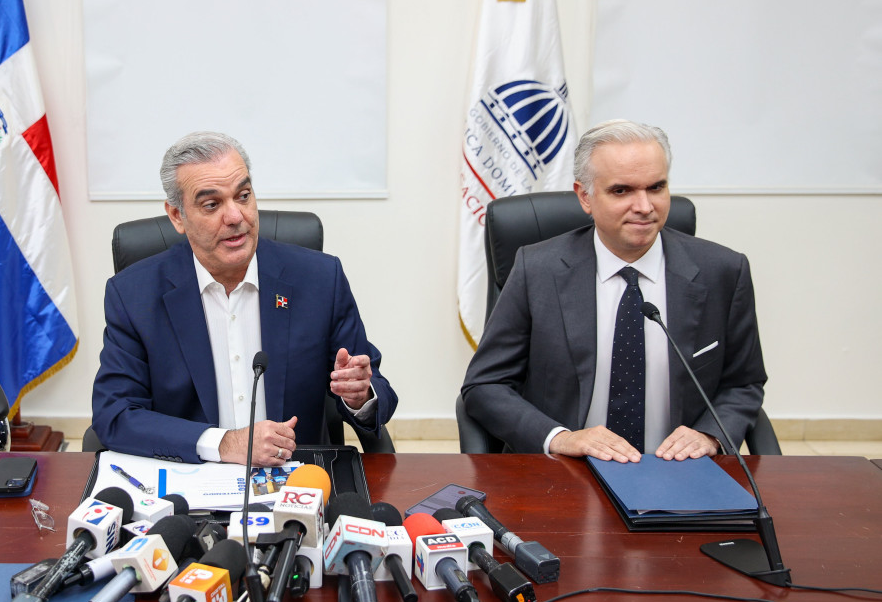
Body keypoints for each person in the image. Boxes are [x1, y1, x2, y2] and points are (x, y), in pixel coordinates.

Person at [461, 119, 766, 461]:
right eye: (622, 191)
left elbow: (743, 383)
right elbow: (485, 385)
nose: (644, 207)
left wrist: (710, 434)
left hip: (678, 468)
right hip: (566, 469)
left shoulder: (723, 271)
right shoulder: (537, 270)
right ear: (585, 197)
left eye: (656, 187)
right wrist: (560, 438)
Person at [91, 131, 397, 465]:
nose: (236, 216)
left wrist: (359, 396)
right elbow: (115, 414)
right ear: (177, 216)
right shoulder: (133, 295)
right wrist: (224, 443)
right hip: (187, 477)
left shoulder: (320, 279)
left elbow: (376, 388)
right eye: (212, 204)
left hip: (297, 477)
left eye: (243, 196)